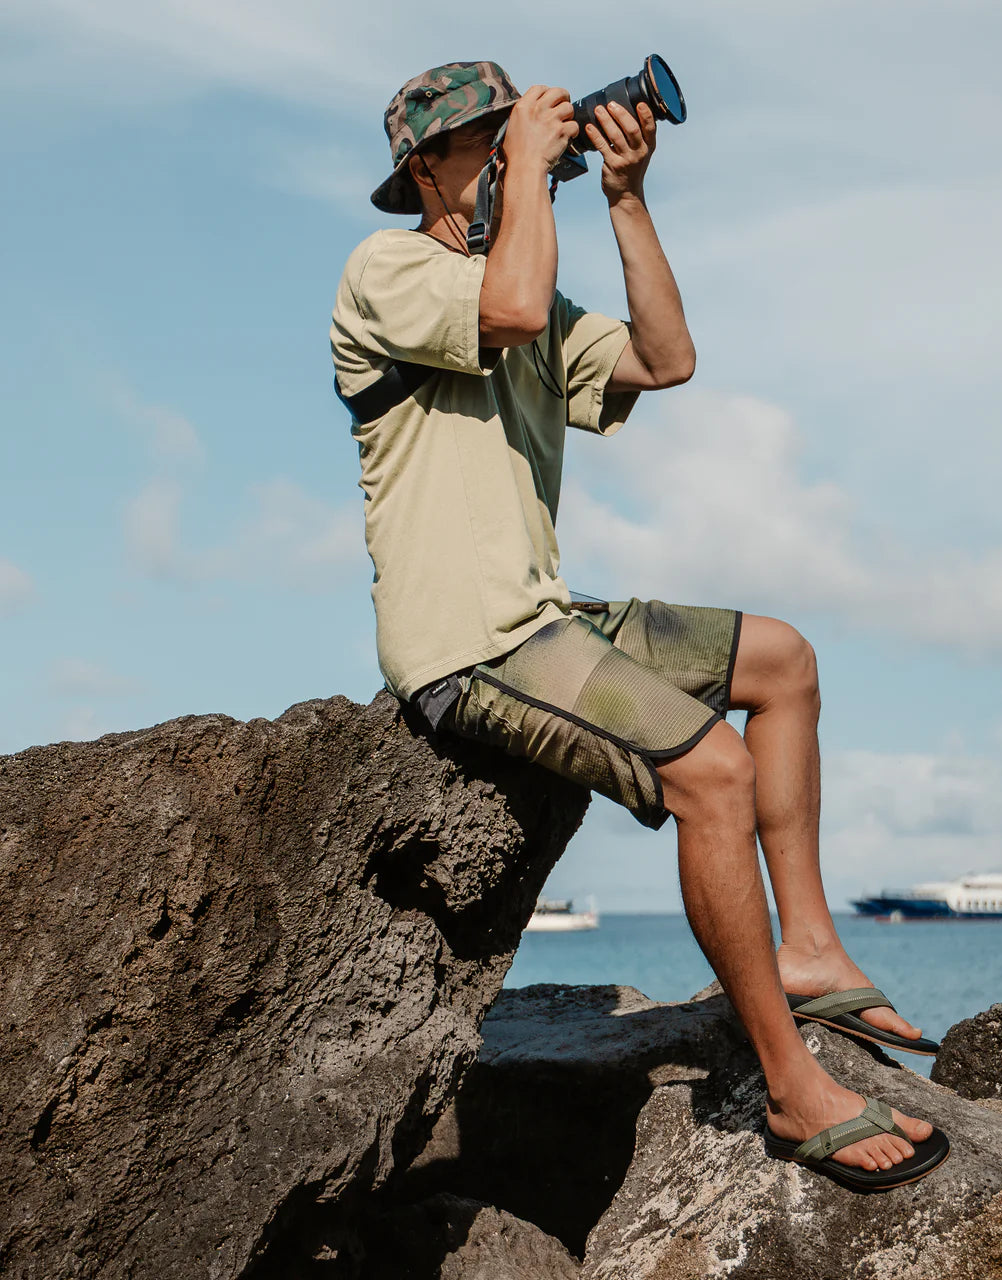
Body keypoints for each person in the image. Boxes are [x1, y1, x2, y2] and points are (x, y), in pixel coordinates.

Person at [330, 61, 949, 1191]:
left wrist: (623, 196)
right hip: (472, 645)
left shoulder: (527, 274)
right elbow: (511, 308)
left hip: (549, 616)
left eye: (512, 136)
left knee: (785, 660)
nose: (509, 156)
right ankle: (788, 1084)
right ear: (424, 167)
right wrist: (531, 169)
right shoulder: (386, 270)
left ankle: (809, 949)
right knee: (712, 775)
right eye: (484, 143)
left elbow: (667, 360)